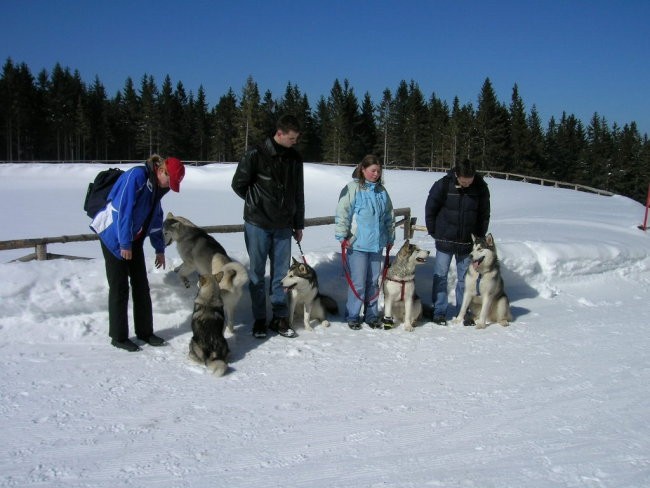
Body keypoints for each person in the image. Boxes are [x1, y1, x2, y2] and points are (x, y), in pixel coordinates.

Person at [90, 154, 185, 351]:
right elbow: (123, 210)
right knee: (119, 286)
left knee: (141, 285)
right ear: (161, 171)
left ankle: (145, 332)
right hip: (113, 235)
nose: (169, 186)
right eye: (170, 181)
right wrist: (124, 244)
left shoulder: (156, 189)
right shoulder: (136, 176)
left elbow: (156, 219)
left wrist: (159, 249)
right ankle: (119, 336)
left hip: (132, 238)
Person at [231, 114, 305, 339]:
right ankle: (260, 319)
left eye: (296, 138)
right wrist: (256, 203)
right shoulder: (255, 154)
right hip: (258, 224)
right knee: (256, 272)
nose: (295, 142)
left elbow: (298, 193)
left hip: (284, 226)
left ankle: (280, 318)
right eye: (292, 138)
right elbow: (238, 184)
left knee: (281, 275)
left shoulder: (295, 158)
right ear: (280, 134)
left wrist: (298, 223)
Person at [424, 159, 490, 325]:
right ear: (456, 175)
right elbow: (430, 208)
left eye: (470, 180)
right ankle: (439, 311)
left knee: (465, 279)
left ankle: (464, 311)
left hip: (467, 243)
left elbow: (484, 215)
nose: (467, 184)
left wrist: (479, 238)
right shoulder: (443, 184)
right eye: (463, 181)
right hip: (444, 239)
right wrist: (434, 231)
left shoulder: (481, 187)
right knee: (440, 276)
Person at [335, 154, 395, 330]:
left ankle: (371, 315)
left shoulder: (382, 192)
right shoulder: (352, 188)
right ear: (363, 170)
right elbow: (343, 212)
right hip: (357, 244)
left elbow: (389, 217)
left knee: (373, 281)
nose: (375, 174)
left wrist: (390, 237)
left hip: (376, 245)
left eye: (378, 171)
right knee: (359, 282)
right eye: (372, 170)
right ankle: (353, 315)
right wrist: (343, 236)